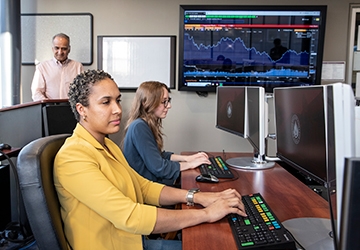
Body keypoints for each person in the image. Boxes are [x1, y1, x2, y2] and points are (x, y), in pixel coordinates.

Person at [53, 69, 246, 250]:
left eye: (118, 101)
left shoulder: (108, 145)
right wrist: (207, 213)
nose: (118, 109)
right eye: (106, 102)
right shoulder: (73, 157)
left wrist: (197, 196)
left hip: (133, 239)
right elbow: (130, 216)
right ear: (82, 109)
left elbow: (143, 187)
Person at [123, 81, 211, 185]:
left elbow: (158, 156)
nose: (169, 106)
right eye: (163, 102)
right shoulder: (139, 127)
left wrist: (188, 158)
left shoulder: (143, 124)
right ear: (146, 102)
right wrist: (191, 164)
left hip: (151, 183)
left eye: (168, 100)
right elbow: (159, 168)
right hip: (148, 188)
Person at [31, 33, 84, 101]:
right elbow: (36, 92)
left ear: (69, 49)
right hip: (49, 108)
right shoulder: (42, 67)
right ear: (52, 48)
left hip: (71, 108)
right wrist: (48, 105)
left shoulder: (78, 67)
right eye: (57, 48)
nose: (60, 52)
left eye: (64, 49)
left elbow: (83, 91)